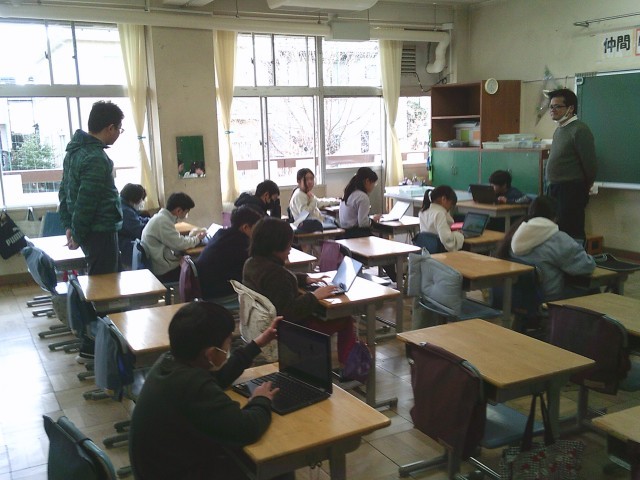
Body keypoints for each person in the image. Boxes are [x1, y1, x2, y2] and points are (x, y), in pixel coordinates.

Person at [129, 301, 292, 480]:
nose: (229, 346)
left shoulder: (170, 362)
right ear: (210, 354)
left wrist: (257, 344)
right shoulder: (193, 386)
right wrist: (261, 400)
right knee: (278, 465)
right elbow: (247, 429)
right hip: (182, 473)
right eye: (229, 341)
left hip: (160, 468)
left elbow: (217, 378)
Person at [242, 217, 356, 372]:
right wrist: (315, 296)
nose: (291, 248)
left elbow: (275, 281)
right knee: (344, 318)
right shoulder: (278, 275)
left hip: (261, 326)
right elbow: (289, 313)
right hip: (288, 332)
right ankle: (348, 368)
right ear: (276, 246)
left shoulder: (251, 263)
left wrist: (306, 279)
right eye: (288, 244)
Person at [58, 100, 124, 275]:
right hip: (100, 231)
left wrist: (69, 226)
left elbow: (64, 192)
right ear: (110, 128)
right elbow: (87, 202)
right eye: (120, 129)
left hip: (88, 230)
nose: (119, 133)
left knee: (104, 281)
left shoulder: (74, 152)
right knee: (104, 285)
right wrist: (77, 234)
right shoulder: (96, 157)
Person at [496, 195, 595, 301]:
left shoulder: (515, 232)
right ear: (555, 217)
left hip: (516, 297)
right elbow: (586, 266)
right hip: (549, 299)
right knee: (593, 289)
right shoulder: (558, 238)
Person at [545, 88, 597, 241]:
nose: (552, 110)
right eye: (551, 106)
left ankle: (576, 255)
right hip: (555, 188)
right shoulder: (559, 130)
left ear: (570, 108)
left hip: (571, 189)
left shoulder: (579, 130)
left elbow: (590, 164)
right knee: (556, 230)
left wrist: (585, 186)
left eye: (557, 106)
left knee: (571, 230)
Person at [195, 206, 262, 300]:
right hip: (218, 292)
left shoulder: (221, 234)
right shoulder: (240, 243)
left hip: (205, 288)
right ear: (245, 227)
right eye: (256, 228)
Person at [141, 192, 206, 282]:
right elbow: (180, 244)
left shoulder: (161, 218)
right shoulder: (163, 221)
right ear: (179, 211)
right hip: (164, 270)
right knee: (200, 267)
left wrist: (190, 238)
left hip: (160, 263)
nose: (186, 215)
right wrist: (197, 239)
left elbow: (175, 241)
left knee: (191, 261)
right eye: (186, 212)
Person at [338, 166, 381, 238]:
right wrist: (372, 220)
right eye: (374, 183)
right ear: (367, 181)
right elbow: (363, 223)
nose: (374, 186)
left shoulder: (348, 193)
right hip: (355, 233)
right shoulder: (363, 197)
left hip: (344, 233)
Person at [419, 185, 464, 252]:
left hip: (428, 252)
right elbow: (447, 240)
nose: (450, 208)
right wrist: (458, 235)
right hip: (440, 252)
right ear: (444, 199)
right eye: (451, 204)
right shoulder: (440, 214)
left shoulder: (423, 212)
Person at [118, 183, 150, 269]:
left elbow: (138, 219)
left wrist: (152, 221)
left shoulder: (123, 205)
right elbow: (140, 231)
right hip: (126, 247)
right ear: (133, 199)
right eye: (140, 200)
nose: (141, 202)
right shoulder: (125, 211)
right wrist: (154, 225)